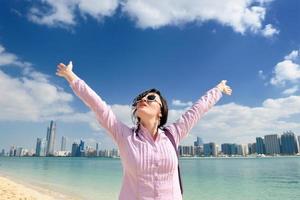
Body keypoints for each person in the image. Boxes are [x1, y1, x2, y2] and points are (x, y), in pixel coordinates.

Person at [56, 61, 232, 200]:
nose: (143, 100)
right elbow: (98, 106)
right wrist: (71, 76)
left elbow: (197, 109)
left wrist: (218, 90)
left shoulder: (174, 134)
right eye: (140, 99)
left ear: (161, 110)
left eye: (150, 98)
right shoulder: (124, 135)